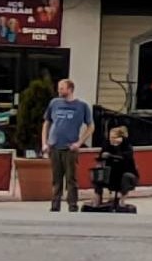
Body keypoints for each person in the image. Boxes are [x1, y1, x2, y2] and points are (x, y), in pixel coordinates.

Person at [42, 79, 94, 212]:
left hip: (70, 147)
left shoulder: (81, 106)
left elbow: (90, 126)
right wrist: (45, 142)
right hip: (54, 146)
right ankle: (55, 205)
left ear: (70, 89)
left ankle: (72, 205)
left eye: (62, 88)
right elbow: (47, 123)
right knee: (56, 178)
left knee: (71, 178)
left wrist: (79, 143)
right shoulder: (54, 103)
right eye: (59, 88)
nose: (59, 90)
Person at [93, 126, 138, 208]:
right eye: (110, 137)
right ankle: (97, 199)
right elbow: (100, 156)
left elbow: (126, 158)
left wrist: (113, 152)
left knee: (126, 177)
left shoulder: (127, 146)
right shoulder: (107, 144)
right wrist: (102, 156)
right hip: (111, 173)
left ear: (120, 138)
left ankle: (122, 201)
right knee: (98, 174)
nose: (111, 139)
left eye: (113, 137)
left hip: (126, 173)